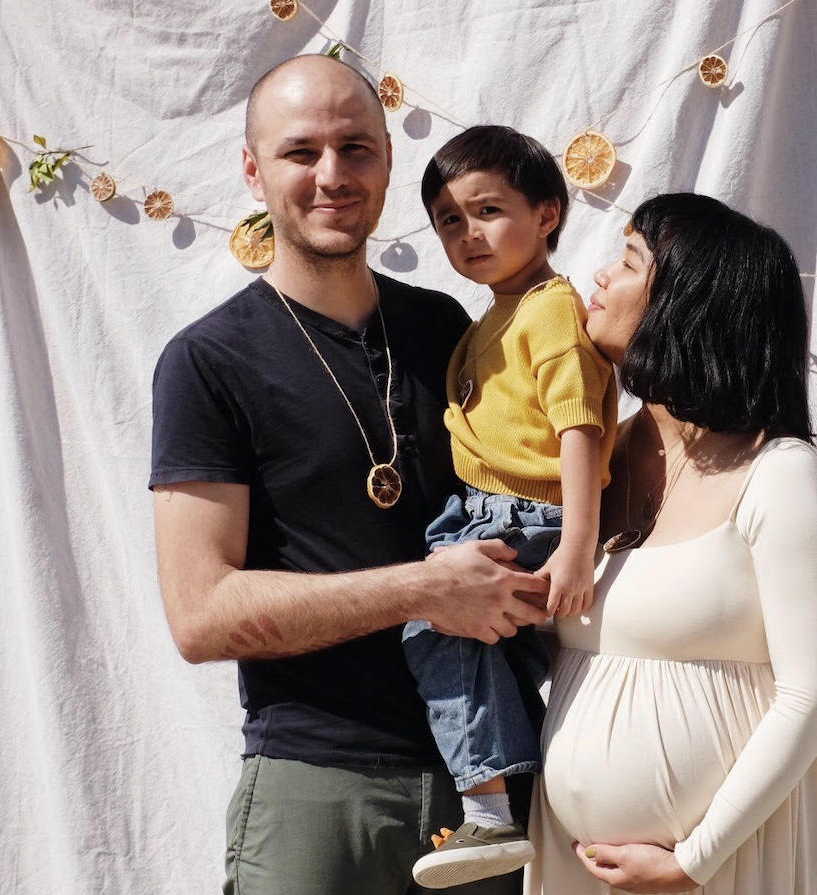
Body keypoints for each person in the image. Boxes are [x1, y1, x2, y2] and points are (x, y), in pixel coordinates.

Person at [149, 55, 549, 895]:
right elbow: (200, 614)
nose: (332, 175)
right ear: (253, 170)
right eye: (301, 152)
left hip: (491, 786)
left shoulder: (445, 325)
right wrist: (421, 589)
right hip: (315, 785)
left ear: (389, 163)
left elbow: (546, 468)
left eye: (356, 147)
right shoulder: (208, 361)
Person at [525, 193, 817, 894]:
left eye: (629, 260)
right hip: (576, 860)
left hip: (732, 859)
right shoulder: (597, 459)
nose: (601, 276)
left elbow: (814, 694)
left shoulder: (778, 474)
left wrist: (693, 858)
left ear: (687, 304)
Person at [404, 125, 618, 889]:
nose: (468, 233)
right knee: (482, 641)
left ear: (548, 213)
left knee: (436, 619)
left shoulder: (550, 311)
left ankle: (490, 811)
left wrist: (577, 544)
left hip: (528, 516)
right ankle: (524, 801)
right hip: (485, 512)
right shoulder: (498, 314)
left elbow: (579, 425)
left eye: (488, 210)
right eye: (449, 221)